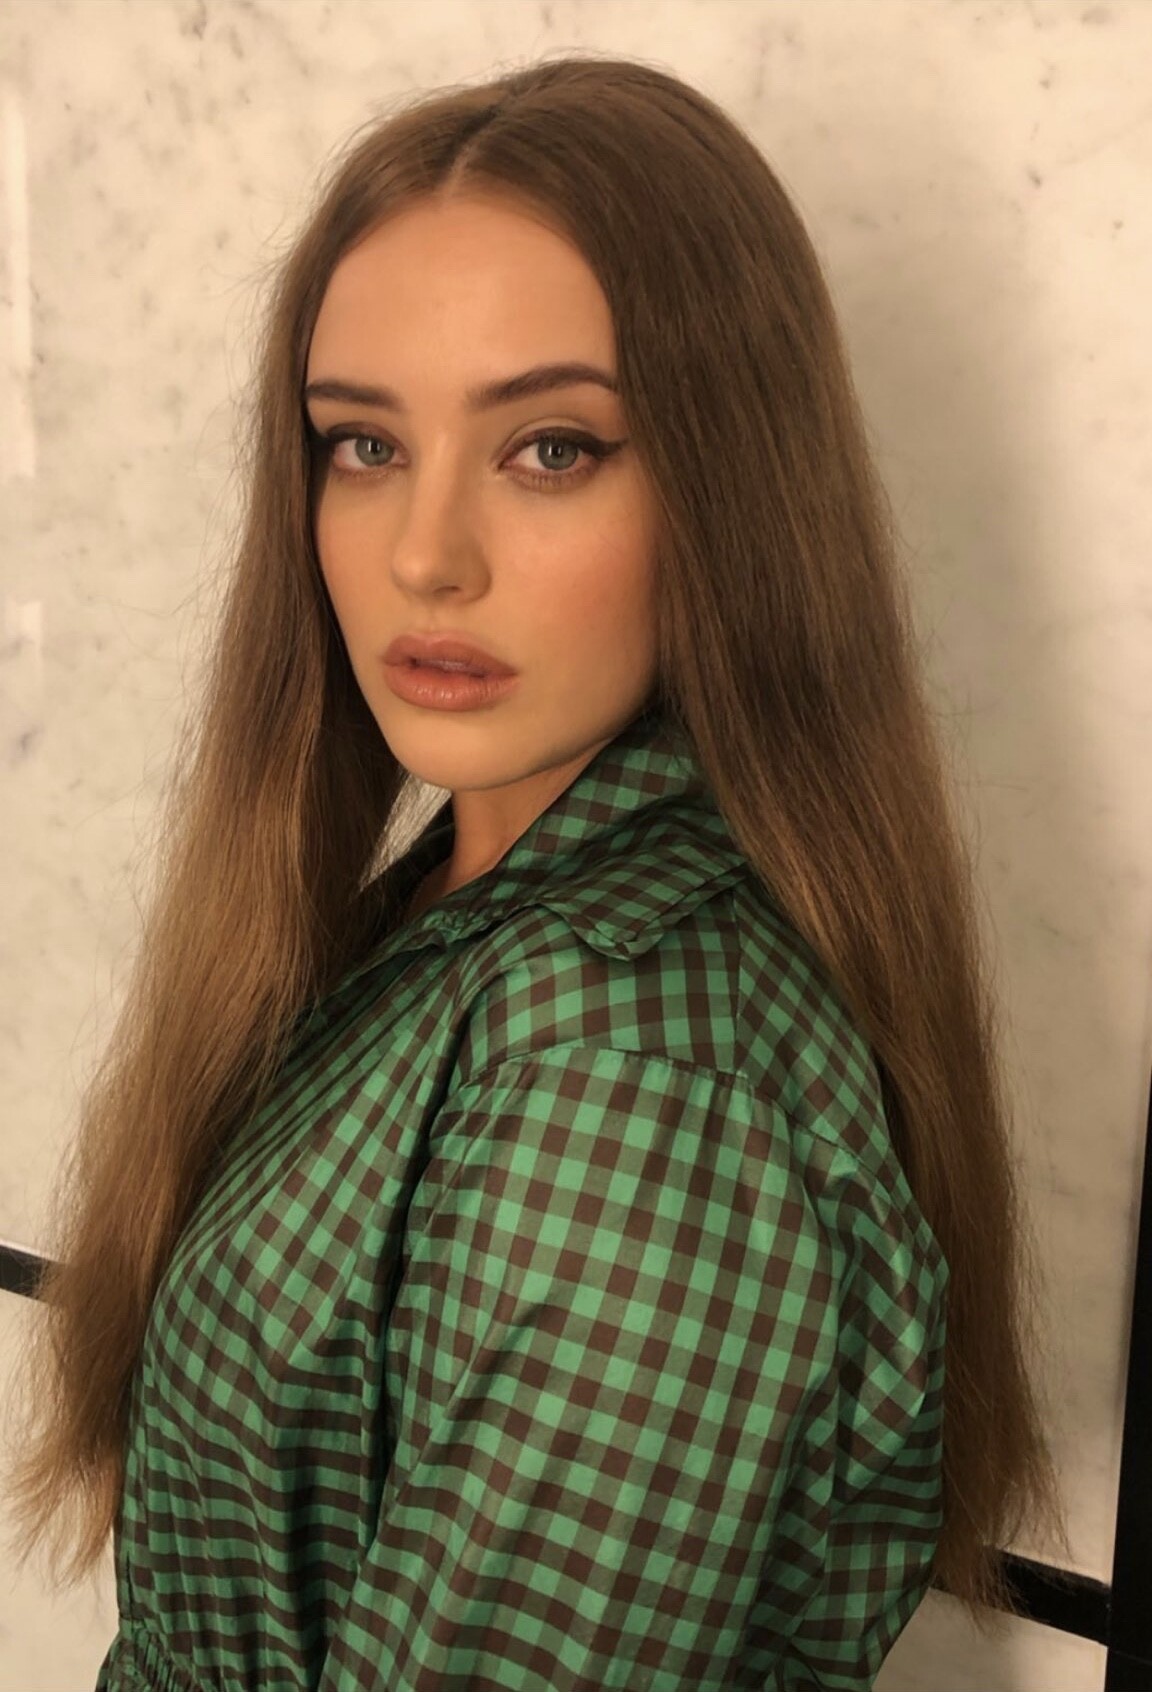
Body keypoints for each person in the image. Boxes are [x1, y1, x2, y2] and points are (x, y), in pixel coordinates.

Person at [4, 51, 1068, 1691]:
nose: (425, 554)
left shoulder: (635, 1080)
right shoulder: (464, 913)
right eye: (363, 444)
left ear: (732, 497)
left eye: (552, 448)